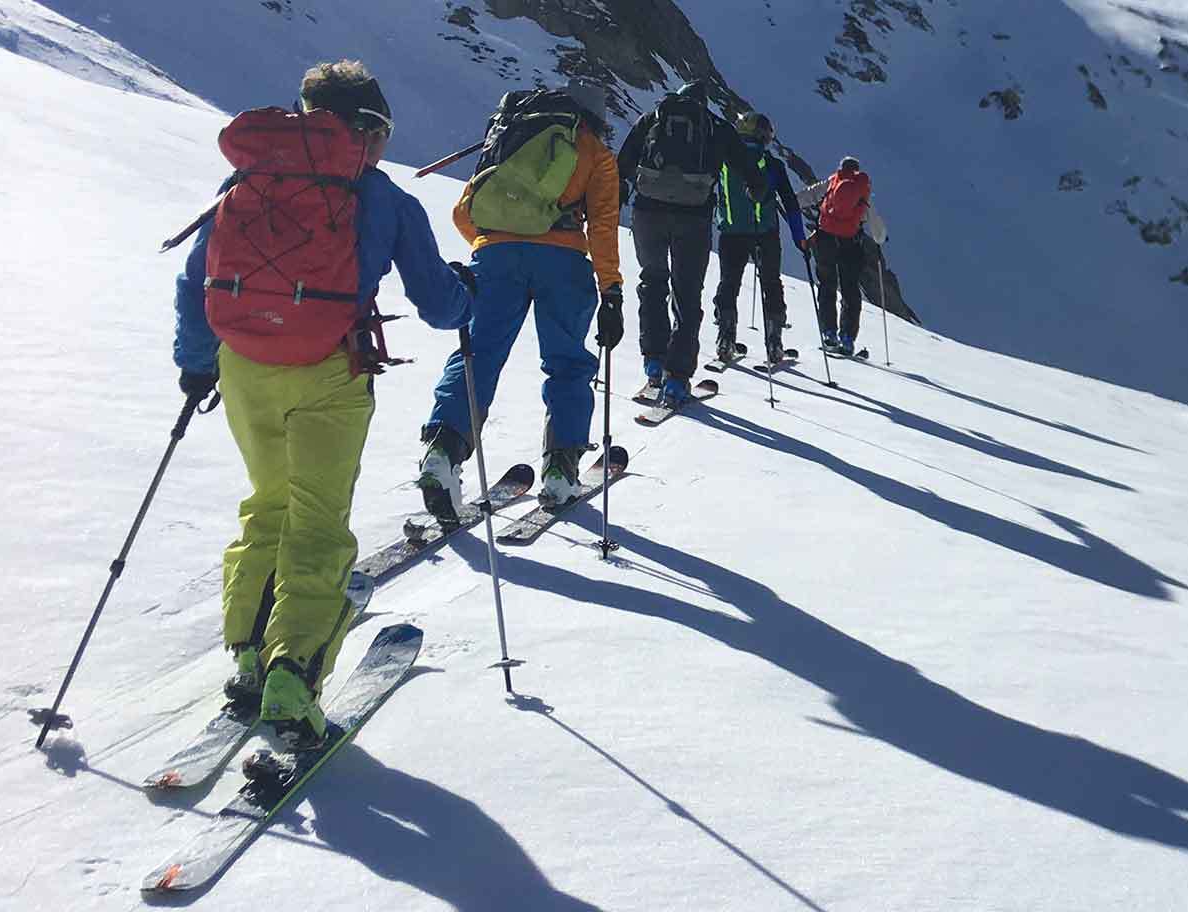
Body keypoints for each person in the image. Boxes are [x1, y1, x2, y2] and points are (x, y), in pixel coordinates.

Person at [172, 61, 475, 749]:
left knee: (268, 502)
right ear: (370, 131)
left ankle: (250, 656)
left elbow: (198, 281)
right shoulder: (385, 200)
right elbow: (436, 303)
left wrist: (196, 365)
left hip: (245, 365)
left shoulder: (248, 181)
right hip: (329, 371)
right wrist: (468, 296)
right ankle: (293, 680)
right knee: (317, 522)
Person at [419, 81, 623, 508]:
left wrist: (492, 244)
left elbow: (464, 211)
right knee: (567, 364)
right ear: (595, 120)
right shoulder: (595, 153)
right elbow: (602, 227)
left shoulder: (510, 133)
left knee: (478, 353)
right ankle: (560, 470)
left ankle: (441, 452)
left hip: (495, 256)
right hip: (563, 263)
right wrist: (611, 290)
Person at [619, 81, 761, 403]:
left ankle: (653, 364)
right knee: (686, 293)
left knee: (652, 282)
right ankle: (677, 379)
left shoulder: (653, 117)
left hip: (647, 214)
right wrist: (757, 189)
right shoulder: (714, 126)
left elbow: (624, 162)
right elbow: (747, 169)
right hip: (692, 219)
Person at [709, 111, 805, 364]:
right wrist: (800, 238)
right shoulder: (772, 164)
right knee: (771, 284)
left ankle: (725, 339)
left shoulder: (724, 159)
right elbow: (790, 202)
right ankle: (774, 343)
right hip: (765, 234)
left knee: (729, 283)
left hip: (731, 233)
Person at [803, 156, 874, 358]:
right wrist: (880, 236)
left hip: (826, 240)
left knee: (827, 285)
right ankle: (848, 338)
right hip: (850, 243)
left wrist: (784, 200)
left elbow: (809, 195)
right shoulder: (862, 189)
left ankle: (829, 334)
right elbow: (872, 220)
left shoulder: (833, 181)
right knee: (850, 289)